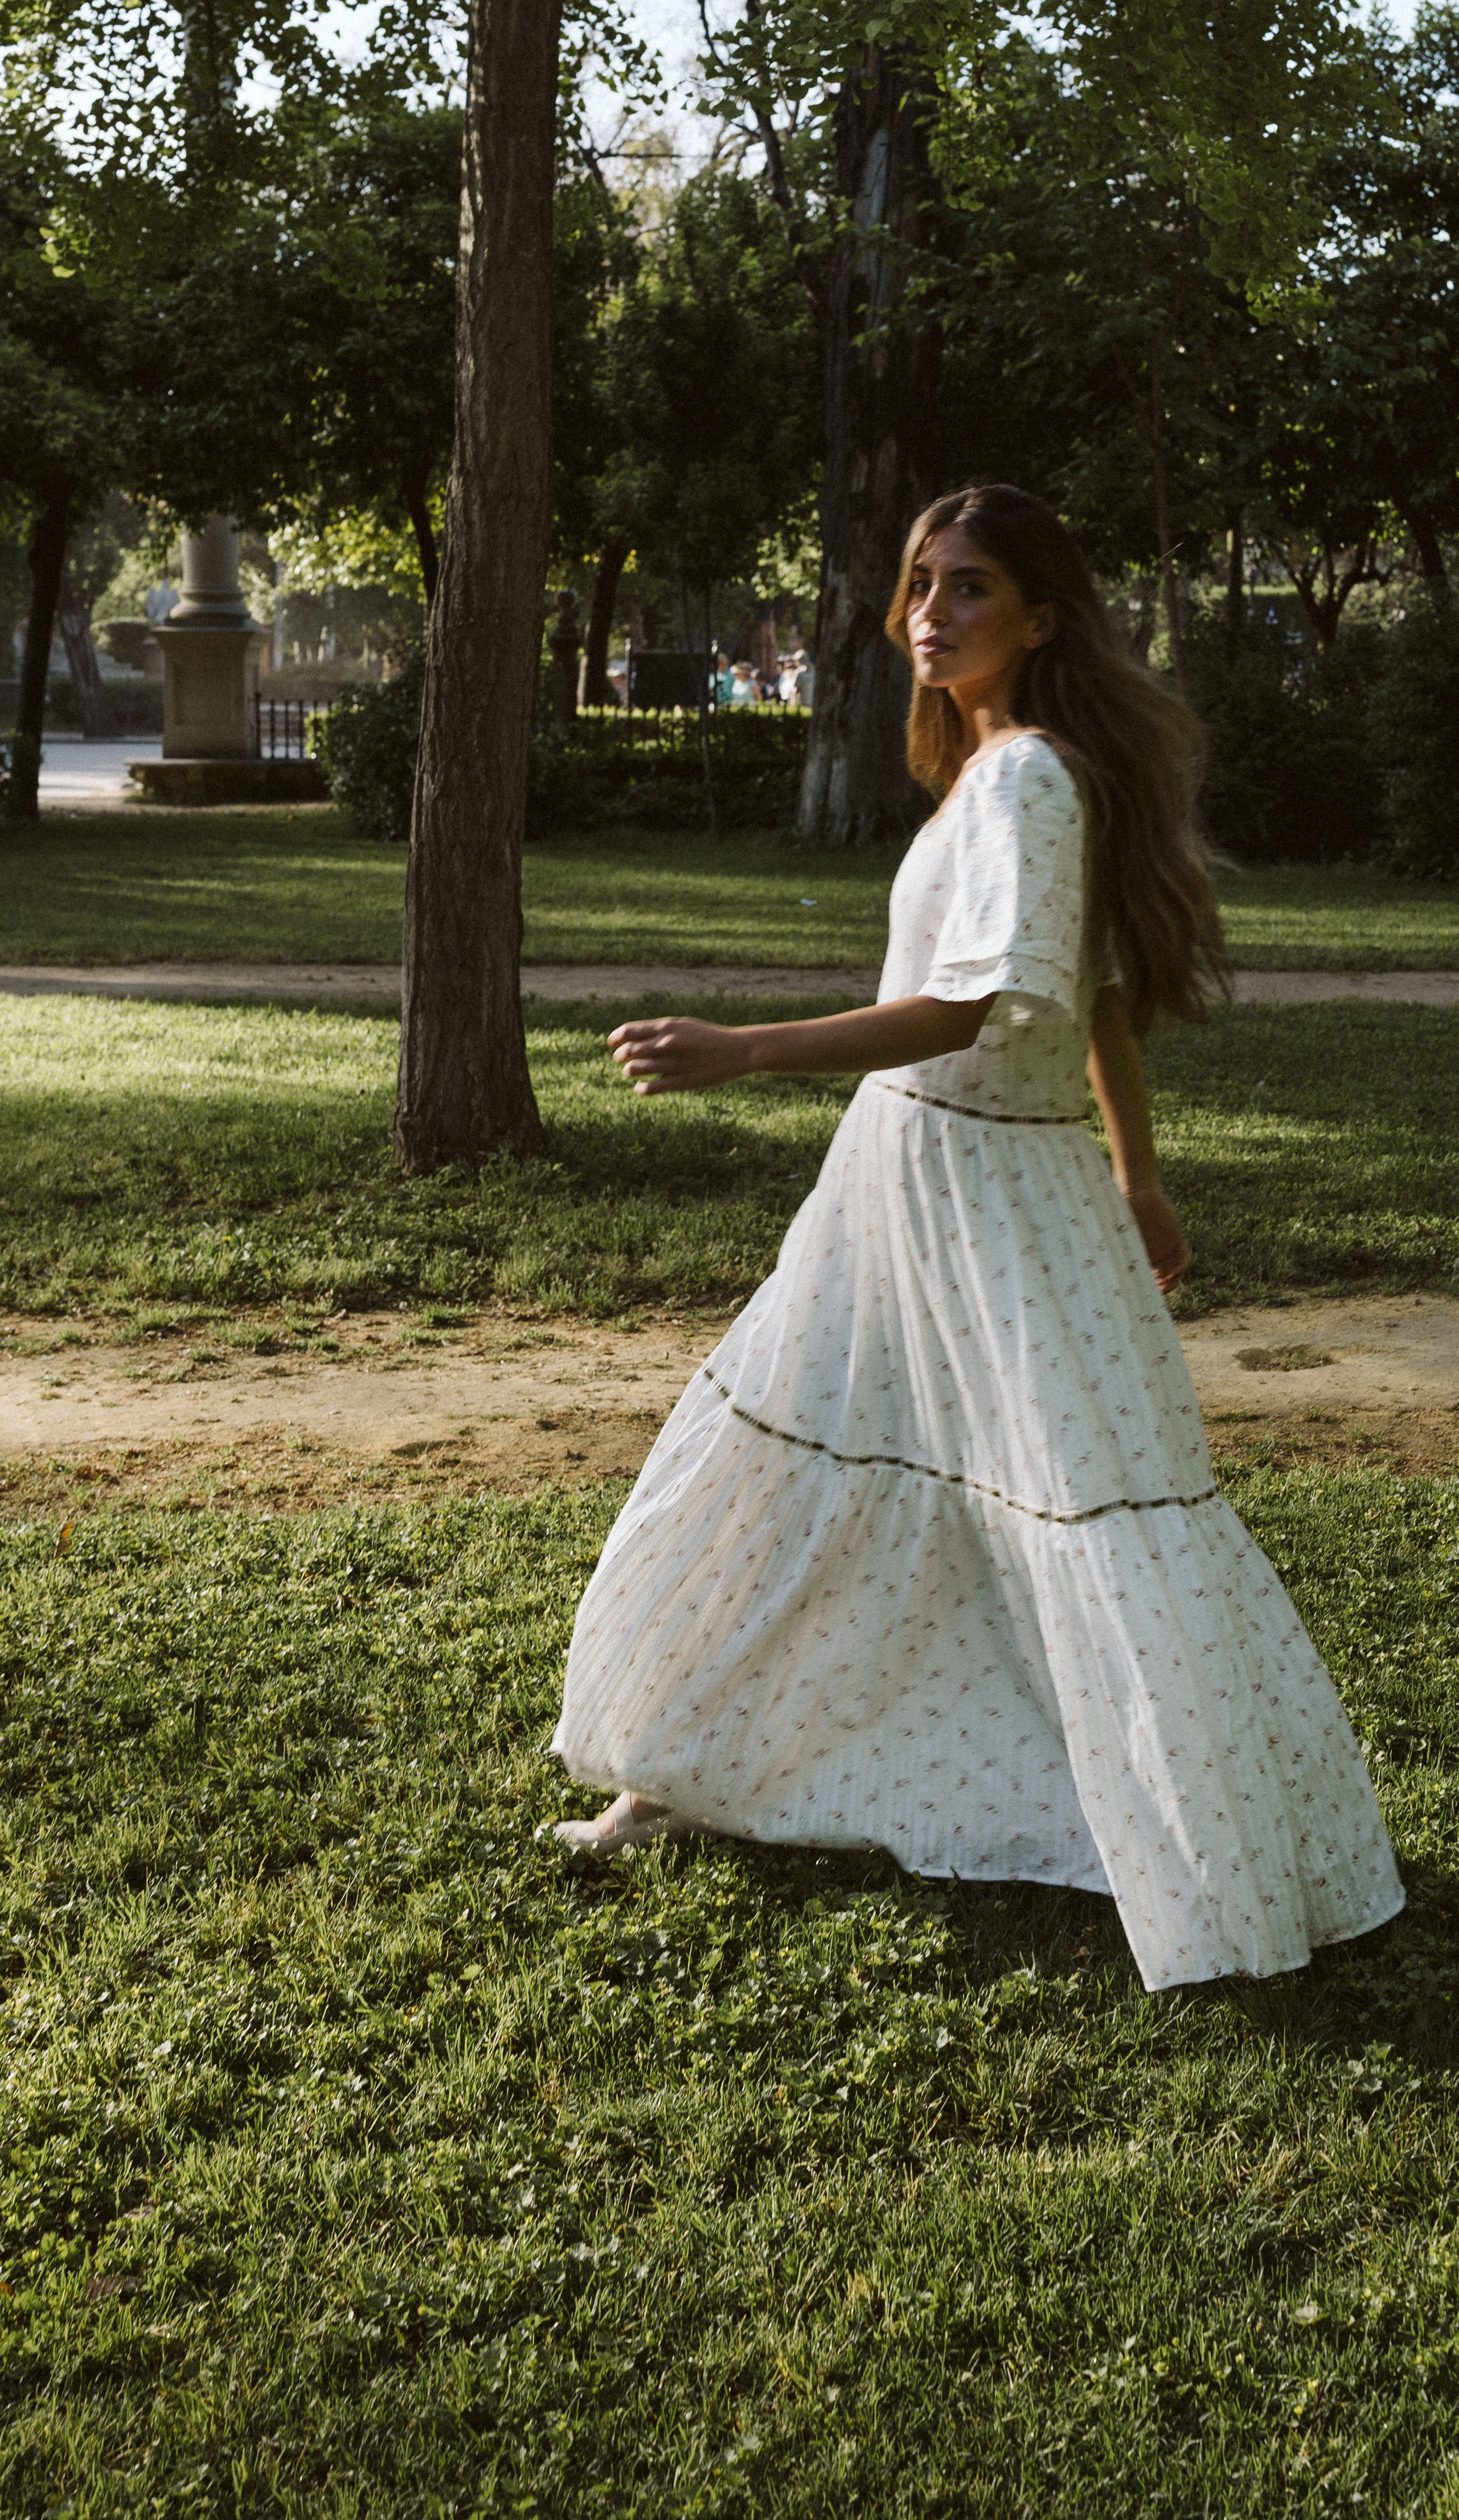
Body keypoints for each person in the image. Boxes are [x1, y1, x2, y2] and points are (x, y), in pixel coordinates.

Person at [542, 481, 1401, 1990]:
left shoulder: (1028, 783)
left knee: (1080, 1504)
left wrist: (747, 1051)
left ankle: (1193, 1845)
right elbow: (1107, 994)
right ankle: (675, 1770)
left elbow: (995, 1007)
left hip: (993, 1193)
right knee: (789, 1451)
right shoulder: (994, 771)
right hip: (905, 1181)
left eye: (974, 587)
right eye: (923, 583)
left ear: (1044, 617)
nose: (933, 612)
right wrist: (1139, 1175)